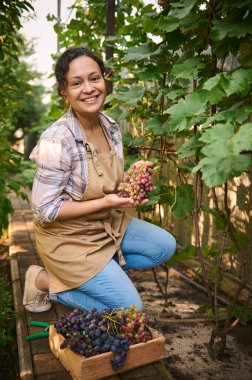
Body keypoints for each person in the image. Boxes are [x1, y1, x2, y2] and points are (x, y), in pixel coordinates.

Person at [22, 46, 176, 313]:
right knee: (130, 311)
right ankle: (44, 281)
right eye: (76, 83)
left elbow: (107, 183)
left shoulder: (110, 126)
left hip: (103, 225)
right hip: (67, 238)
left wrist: (133, 177)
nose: (89, 89)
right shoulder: (57, 140)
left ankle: (98, 274)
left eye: (94, 78)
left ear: (104, 78)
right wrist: (106, 202)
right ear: (64, 91)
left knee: (163, 247)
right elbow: (44, 210)